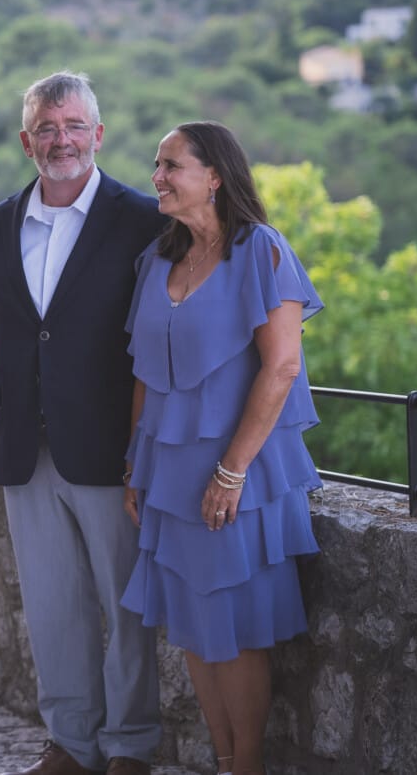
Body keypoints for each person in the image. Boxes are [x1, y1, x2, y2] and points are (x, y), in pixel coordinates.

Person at [0, 71, 164, 775]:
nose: (61, 140)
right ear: (27, 140)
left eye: (74, 126)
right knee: (52, 607)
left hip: (113, 447)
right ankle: (71, 742)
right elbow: (9, 330)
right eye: (47, 128)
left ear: (99, 135)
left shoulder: (144, 220)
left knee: (125, 605)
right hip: (25, 445)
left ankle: (131, 744)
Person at [121, 122, 323, 775]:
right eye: (157, 164)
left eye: (171, 164)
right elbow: (144, 373)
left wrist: (231, 472)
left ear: (215, 176)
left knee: (233, 630)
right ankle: (225, 759)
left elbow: (283, 366)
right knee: (195, 630)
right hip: (170, 471)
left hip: (238, 472)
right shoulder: (156, 261)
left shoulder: (261, 250)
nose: (157, 175)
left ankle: (248, 768)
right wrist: (134, 464)